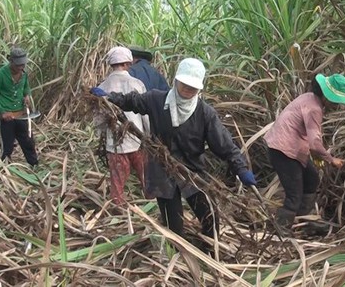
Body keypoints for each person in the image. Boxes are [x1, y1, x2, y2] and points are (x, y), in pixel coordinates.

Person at [90, 57, 256, 249]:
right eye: (184, 84)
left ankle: (210, 251)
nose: (187, 90)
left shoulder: (205, 113)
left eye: (192, 87)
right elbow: (131, 101)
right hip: (162, 171)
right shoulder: (156, 100)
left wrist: (241, 168)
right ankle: (178, 256)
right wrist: (109, 97)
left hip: (191, 171)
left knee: (209, 215)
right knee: (173, 225)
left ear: (199, 89)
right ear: (176, 80)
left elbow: (225, 145)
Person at [263, 73, 345, 235]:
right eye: (336, 101)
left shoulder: (309, 98)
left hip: (288, 149)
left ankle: (301, 223)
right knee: (294, 196)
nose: (337, 105)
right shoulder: (314, 109)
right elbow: (315, 143)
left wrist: (316, 154)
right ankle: (281, 234)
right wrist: (332, 160)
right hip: (284, 151)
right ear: (327, 96)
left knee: (311, 180)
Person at [95, 46, 151, 206]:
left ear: (111, 64)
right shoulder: (137, 84)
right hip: (137, 140)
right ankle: (151, 201)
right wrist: (148, 134)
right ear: (128, 63)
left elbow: (98, 120)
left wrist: (103, 137)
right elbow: (145, 114)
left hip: (115, 144)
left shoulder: (103, 87)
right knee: (145, 176)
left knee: (117, 181)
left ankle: (117, 207)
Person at [0, 47, 39, 167]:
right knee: (7, 145)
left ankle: (34, 164)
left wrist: (27, 96)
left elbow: (26, 87)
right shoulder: (0, 74)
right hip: (7, 117)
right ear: (11, 62)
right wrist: (2, 111)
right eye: (18, 65)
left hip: (21, 115)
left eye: (23, 64)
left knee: (27, 141)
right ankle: (5, 168)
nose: (21, 68)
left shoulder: (23, 74)